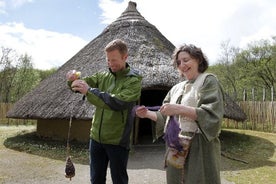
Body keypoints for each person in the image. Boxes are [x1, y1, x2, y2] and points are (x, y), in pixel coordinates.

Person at [135, 44, 224, 184]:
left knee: (199, 179)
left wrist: (178, 109)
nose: (182, 65)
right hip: (176, 145)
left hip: (199, 146)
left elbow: (212, 114)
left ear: (198, 59)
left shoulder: (208, 81)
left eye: (186, 60)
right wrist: (146, 114)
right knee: (176, 180)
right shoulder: (176, 88)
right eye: (178, 62)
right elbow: (164, 117)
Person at [66, 39, 142, 184]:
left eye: (114, 60)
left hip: (117, 141)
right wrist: (73, 80)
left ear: (125, 57)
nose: (110, 63)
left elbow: (116, 102)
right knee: (96, 180)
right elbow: (81, 84)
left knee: (119, 180)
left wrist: (89, 91)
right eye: (108, 60)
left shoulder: (134, 81)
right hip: (96, 139)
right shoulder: (102, 76)